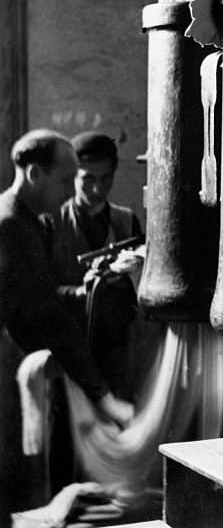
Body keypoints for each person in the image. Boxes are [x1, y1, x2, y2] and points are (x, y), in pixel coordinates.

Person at [0, 129, 133, 428]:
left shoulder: (26, 220)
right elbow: (48, 314)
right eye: (64, 180)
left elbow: (38, 295)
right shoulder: (11, 226)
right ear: (34, 173)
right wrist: (103, 397)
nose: (71, 193)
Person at [50, 132, 142, 400]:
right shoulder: (51, 222)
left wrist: (130, 274)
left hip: (116, 352)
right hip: (67, 351)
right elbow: (37, 292)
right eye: (88, 179)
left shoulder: (126, 222)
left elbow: (142, 295)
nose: (97, 188)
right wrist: (81, 291)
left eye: (106, 178)